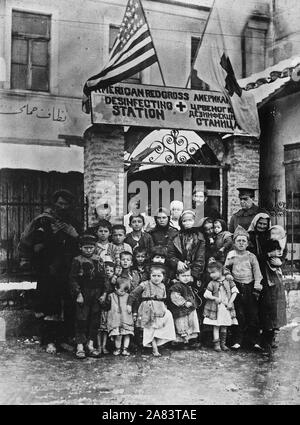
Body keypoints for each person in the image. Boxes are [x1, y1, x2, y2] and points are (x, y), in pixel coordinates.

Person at [18, 189, 80, 354]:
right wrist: (52, 235)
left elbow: (79, 245)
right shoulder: (43, 221)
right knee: (49, 304)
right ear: (54, 204)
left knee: (68, 305)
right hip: (48, 269)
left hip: (68, 270)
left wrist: (73, 234)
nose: (63, 207)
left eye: (66, 204)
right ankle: (49, 340)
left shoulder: (73, 221)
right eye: (60, 203)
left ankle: (64, 339)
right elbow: (36, 246)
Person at [248, 214, 287, 356]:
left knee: (269, 306)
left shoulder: (270, 236)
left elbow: (281, 252)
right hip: (252, 273)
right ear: (255, 223)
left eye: (265, 224)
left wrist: (280, 260)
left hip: (268, 275)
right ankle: (253, 338)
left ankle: (267, 339)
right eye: (260, 223)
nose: (262, 226)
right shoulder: (250, 236)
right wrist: (267, 256)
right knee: (254, 307)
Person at [224, 225, 263, 351]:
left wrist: (257, 284)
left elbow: (257, 272)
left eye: (243, 241)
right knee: (239, 314)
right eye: (238, 241)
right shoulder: (231, 254)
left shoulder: (251, 256)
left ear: (247, 243)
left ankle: (255, 340)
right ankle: (238, 340)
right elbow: (225, 268)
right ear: (234, 242)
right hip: (236, 287)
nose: (241, 243)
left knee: (253, 314)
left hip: (250, 286)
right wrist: (228, 275)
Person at [69, 234, 107, 359]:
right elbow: (73, 279)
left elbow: (104, 278)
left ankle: (90, 345)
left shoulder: (98, 259)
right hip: (84, 293)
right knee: (81, 319)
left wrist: (104, 293)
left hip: (96, 293)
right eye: (86, 248)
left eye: (91, 248)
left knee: (95, 319)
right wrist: (78, 294)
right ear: (81, 247)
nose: (89, 250)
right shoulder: (77, 260)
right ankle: (80, 345)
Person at [127, 263, 176, 356]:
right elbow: (133, 294)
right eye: (153, 276)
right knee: (150, 328)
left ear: (163, 277)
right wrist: (129, 305)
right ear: (149, 276)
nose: (156, 278)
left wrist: (164, 308)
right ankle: (154, 348)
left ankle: (158, 343)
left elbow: (164, 299)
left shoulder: (163, 286)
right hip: (147, 308)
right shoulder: (144, 284)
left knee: (164, 322)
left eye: (159, 276)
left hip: (159, 309)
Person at [203, 260, 238, 352]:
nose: (211, 275)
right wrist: (214, 298)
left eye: (213, 272)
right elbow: (206, 294)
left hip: (226, 307)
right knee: (216, 325)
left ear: (220, 270)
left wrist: (230, 302)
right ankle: (217, 344)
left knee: (224, 325)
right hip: (216, 307)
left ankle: (223, 344)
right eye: (210, 273)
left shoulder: (228, 281)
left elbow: (235, 292)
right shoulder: (212, 283)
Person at [169, 267, 200, 347]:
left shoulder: (188, 286)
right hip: (180, 310)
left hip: (190, 309)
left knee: (190, 324)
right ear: (177, 276)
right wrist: (184, 302)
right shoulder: (177, 286)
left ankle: (189, 340)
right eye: (183, 276)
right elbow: (174, 296)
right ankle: (180, 341)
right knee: (181, 324)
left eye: (188, 275)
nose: (186, 278)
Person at [107, 276, 134, 356]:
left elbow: (133, 304)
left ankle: (125, 349)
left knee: (127, 335)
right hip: (116, 320)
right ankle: (117, 349)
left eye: (126, 290)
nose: (124, 292)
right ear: (115, 287)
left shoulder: (128, 296)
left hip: (126, 319)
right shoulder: (111, 296)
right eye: (121, 290)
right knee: (118, 336)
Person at [97, 260, 115, 355]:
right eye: (106, 270)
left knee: (105, 330)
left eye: (111, 271)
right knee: (99, 329)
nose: (108, 272)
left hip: (108, 309)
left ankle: (104, 346)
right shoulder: (100, 282)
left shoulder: (113, 283)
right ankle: (99, 346)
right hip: (100, 308)